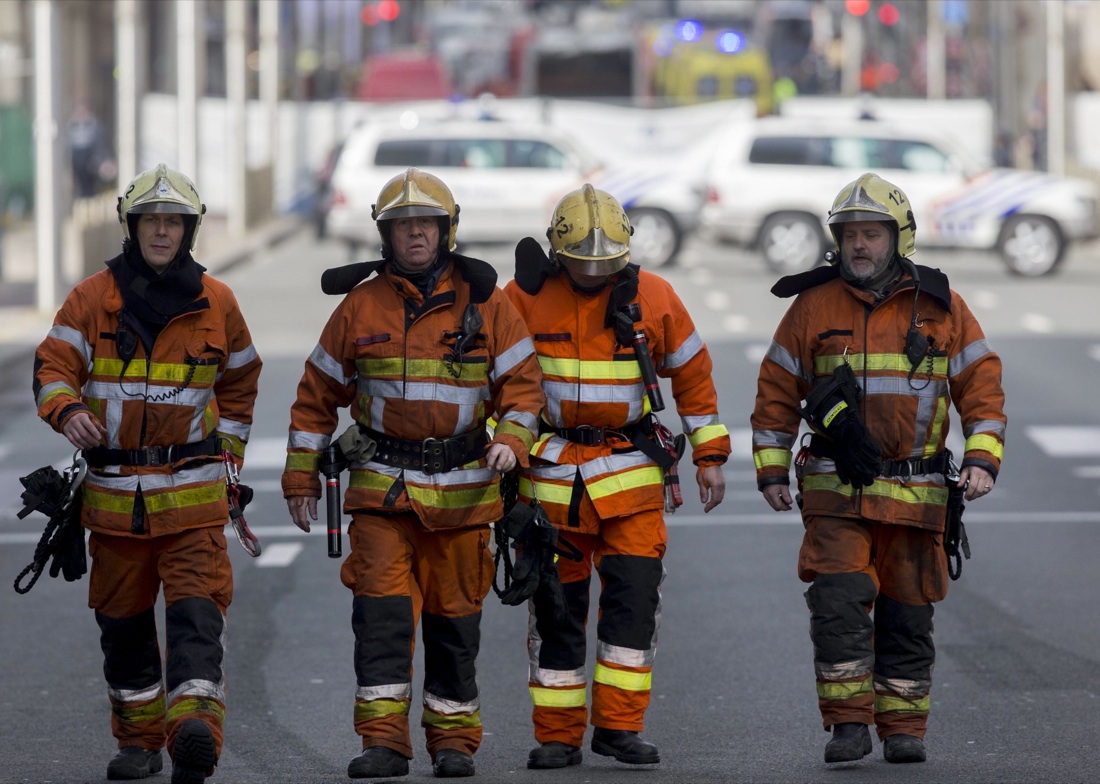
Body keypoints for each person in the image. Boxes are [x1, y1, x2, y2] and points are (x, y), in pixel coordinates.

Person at [282, 167, 545, 780]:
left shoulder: (489, 304)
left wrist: (512, 439)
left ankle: (453, 743)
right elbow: (316, 395)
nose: (416, 234)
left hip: (463, 497)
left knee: (455, 626)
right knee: (381, 622)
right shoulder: (360, 306)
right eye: (403, 225)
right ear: (386, 235)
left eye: (427, 223)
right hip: (382, 492)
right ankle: (383, 743)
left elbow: (524, 388)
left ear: (447, 230)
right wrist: (300, 478)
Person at [751, 172, 1006, 765]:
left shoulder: (942, 307)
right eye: (849, 235)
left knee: (907, 614)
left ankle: (904, 728)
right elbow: (776, 390)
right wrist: (770, 470)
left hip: (917, 493)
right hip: (836, 488)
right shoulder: (812, 306)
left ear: (898, 238)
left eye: (871, 234)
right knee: (838, 604)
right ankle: (847, 724)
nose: (859, 245)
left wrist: (982, 458)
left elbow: (982, 387)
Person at [32, 164, 262, 783]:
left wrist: (227, 456)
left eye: (173, 222)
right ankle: (138, 742)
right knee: (123, 627)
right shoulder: (91, 299)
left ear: (189, 230)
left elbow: (241, 381)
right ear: (131, 227)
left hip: (192, 500)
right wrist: (67, 410)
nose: (162, 231)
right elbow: (53, 366)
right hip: (113, 506)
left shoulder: (218, 303)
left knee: (197, 618)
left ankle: (194, 732)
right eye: (151, 220)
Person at [503, 184, 730, 770]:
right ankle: (558, 735)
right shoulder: (521, 298)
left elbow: (693, 376)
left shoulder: (655, 297)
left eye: (604, 263)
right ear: (558, 253)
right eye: (581, 262)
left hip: (629, 476)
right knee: (556, 611)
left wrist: (709, 456)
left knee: (632, 607)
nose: (593, 271)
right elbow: (493, 381)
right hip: (551, 482)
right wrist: (499, 451)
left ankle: (619, 728)